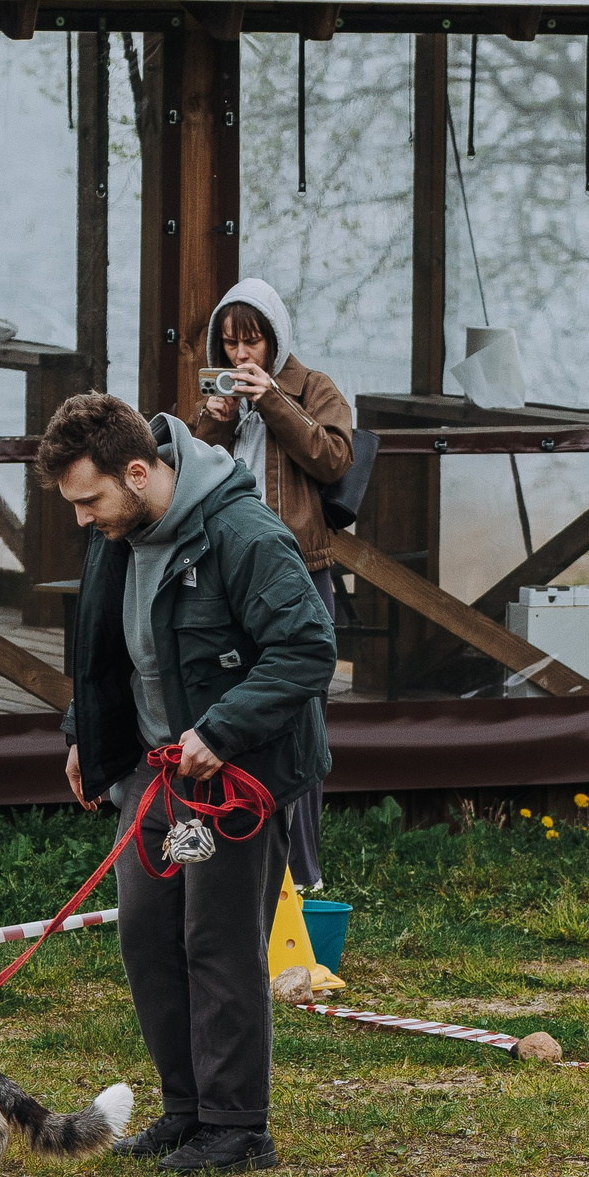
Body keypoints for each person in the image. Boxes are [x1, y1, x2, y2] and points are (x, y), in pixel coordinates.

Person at [43, 393, 336, 1174]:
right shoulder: (119, 529)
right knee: (145, 931)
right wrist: (83, 731)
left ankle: (239, 1127)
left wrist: (222, 729)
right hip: (153, 768)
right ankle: (185, 1111)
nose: (81, 519)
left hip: (237, 771)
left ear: (138, 472)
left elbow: (307, 650)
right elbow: (108, 650)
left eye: (88, 500)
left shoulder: (243, 535)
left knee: (217, 939)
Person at [183, 280, 354, 888]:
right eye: (228, 345)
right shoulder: (220, 393)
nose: (240, 358)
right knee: (231, 713)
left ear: (275, 337)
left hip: (301, 572)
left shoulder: (315, 388)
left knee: (299, 719)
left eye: (250, 341)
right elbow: (186, 477)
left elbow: (334, 459)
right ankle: (231, 863)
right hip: (228, 577)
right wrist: (216, 421)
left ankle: (300, 873)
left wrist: (275, 400)